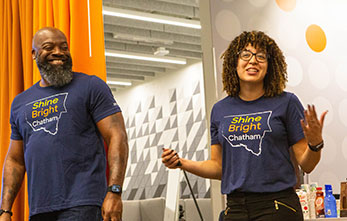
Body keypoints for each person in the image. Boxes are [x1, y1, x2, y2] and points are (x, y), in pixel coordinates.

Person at [162, 31, 327, 220]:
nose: (253, 61)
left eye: (261, 56)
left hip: (277, 205)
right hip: (235, 208)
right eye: (245, 55)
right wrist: (181, 162)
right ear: (235, 62)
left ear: (269, 65)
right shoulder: (220, 110)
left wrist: (315, 144)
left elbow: (307, 164)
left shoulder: (286, 102)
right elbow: (218, 167)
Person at [0, 27, 128, 221]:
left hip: (83, 203)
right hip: (40, 208)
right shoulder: (20, 103)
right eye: (48, 47)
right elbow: (15, 160)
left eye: (64, 47)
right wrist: (5, 210)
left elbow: (117, 136)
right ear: (34, 54)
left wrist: (114, 191)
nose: (58, 52)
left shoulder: (91, 86)